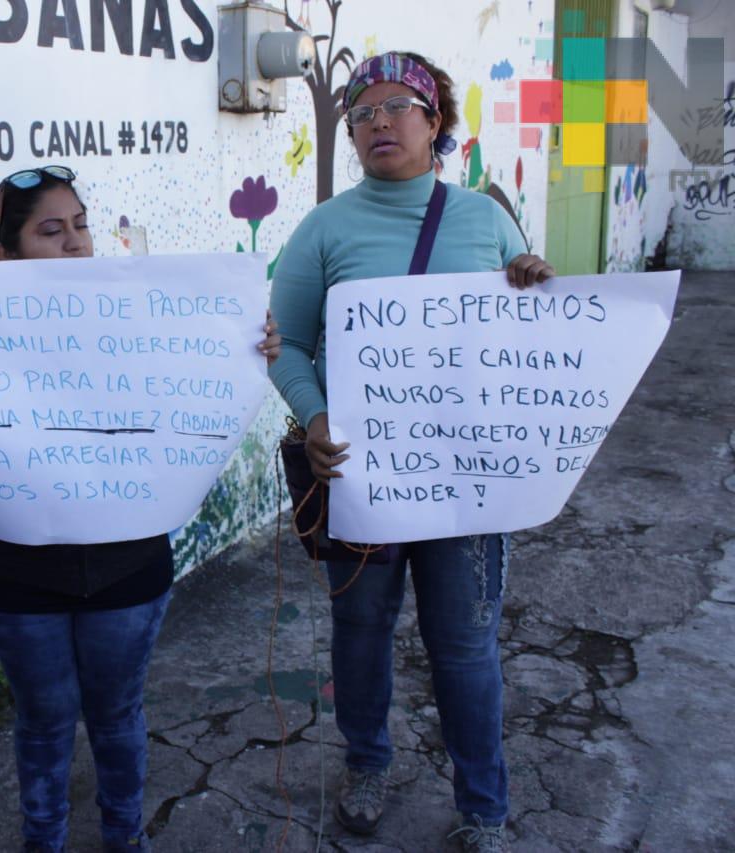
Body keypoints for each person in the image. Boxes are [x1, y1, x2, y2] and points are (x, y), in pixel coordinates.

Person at [0, 165, 281, 852]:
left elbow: (200, 378)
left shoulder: (138, 305)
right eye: (51, 230)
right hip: (19, 575)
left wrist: (249, 349)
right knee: (43, 720)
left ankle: (125, 837)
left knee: (118, 716)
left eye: (81, 224)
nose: (75, 242)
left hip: (129, 568)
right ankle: (45, 840)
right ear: (3, 252)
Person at [269, 52, 555, 853]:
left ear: (436, 123)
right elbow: (286, 344)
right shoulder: (324, 228)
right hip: (362, 478)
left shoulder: (486, 220)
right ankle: (367, 765)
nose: (377, 123)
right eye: (361, 113)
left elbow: (525, 337)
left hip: (464, 482)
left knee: (463, 644)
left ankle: (485, 808)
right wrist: (315, 416)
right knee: (360, 630)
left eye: (398, 107)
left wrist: (537, 283)